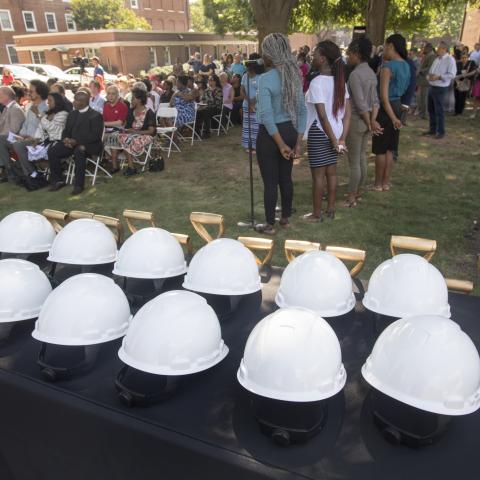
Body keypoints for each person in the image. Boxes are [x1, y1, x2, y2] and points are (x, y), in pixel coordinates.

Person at [255, 33, 307, 235]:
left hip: (271, 135)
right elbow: (302, 110)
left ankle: (269, 224)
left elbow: (266, 116)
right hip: (290, 131)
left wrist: (279, 144)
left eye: (264, 50)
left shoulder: (265, 79)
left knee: (270, 180)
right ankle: (285, 218)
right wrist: (298, 142)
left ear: (270, 53)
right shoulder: (295, 75)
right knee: (285, 177)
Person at [303, 40, 350, 222]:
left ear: (323, 59)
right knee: (332, 173)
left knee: (318, 177)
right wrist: (341, 139)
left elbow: (322, 116)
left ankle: (316, 214)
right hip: (336, 132)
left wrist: (333, 141)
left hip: (320, 132)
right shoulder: (340, 82)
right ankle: (330, 210)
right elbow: (347, 113)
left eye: (315, 54)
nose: (312, 57)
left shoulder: (317, 83)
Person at [345, 36, 380, 208]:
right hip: (367, 122)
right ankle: (358, 191)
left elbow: (359, 103)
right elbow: (375, 101)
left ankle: (352, 196)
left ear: (357, 54)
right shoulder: (371, 73)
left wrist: (369, 121)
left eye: (349, 53)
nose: (347, 57)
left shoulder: (355, 74)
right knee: (361, 158)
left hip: (357, 122)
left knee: (354, 162)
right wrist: (372, 121)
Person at [372, 34, 410, 192]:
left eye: (385, 46)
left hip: (386, 109)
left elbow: (383, 97)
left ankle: (378, 184)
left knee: (380, 148)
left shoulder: (388, 67)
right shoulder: (406, 66)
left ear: (392, 46)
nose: (384, 50)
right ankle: (386, 182)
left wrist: (393, 117)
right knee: (390, 148)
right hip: (398, 105)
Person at [47, 90, 104, 195]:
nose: (73, 102)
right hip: (72, 143)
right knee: (53, 151)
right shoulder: (72, 114)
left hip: (90, 145)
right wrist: (66, 139)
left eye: (76, 100)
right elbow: (66, 130)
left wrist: (76, 141)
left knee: (79, 151)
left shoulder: (95, 115)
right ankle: (58, 181)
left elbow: (95, 136)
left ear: (84, 102)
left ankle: (78, 185)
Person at [17, 92, 69, 191]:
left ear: (57, 102)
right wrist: (36, 139)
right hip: (44, 141)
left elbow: (52, 128)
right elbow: (41, 128)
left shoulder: (63, 114)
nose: (48, 103)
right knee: (20, 146)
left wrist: (39, 115)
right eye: (48, 100)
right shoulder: (48, 113)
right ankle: (33, 175)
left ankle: (54, 179)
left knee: (51, 151)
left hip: (57, 141)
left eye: (50, 100)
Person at [113, 88, 156, 177]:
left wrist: (135, 132)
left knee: (126, 140)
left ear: (139, 99)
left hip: (146, 135)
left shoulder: (149, 112)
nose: (131, 100)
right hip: (132, 135)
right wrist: (126, 129)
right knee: (115, 137)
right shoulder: (131, 111)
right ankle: (115, 164)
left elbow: (151, 131)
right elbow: (127, 126)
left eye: (133, 98)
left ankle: (131, 167)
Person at [425, 41, 456, 139]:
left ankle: (441, 132)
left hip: (441, 88)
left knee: (439, 111)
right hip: (432, 86)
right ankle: (432, 129)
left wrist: (439, 77)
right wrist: (429, 76)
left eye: (438, 48)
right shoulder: (437, 59)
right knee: (431, 109)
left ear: (444, 49)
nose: (436, 50)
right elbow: (431, 71)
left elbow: (452, 75)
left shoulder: (450, 60)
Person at [0, 87, 25, 182]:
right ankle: (7, 169)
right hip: (7, 138)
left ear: (6, 96)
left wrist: (1, 136)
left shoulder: (15, 109)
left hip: (16, 138)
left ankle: (8, 169)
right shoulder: (7, 108)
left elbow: (14, 130)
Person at [103, 85, 128, 173]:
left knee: (112, 136)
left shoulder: (122, 106)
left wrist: (104, 124)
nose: (111, 96)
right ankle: (103, 160)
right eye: (109, 94)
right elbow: (103, 119)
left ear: (118, 95)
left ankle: (115, 165)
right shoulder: (105, 105)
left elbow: (120, 122)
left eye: (113, 94)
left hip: (119, 130)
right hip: (107, 130)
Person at [241, 54, 262, 152]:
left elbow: (261, 92)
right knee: (247, 127)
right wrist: (248, 101)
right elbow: (242, 90)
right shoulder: (245, 76)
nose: (248, 69)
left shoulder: (260, 77)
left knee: (256, 127)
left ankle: (256, 146)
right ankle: (248, 145)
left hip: (257, 106)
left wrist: (253, 103)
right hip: (246, 104)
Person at [416, 43, 436, 119]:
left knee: (424, 98)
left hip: (426, 80)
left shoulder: (432, 56)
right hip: (422, 80)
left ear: (429, 48)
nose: (423, 49)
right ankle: (422, 113)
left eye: (424, 48)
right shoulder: (427, 55)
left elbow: (430, 68)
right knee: (420, 97)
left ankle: (425, 114)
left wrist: (420, 71)